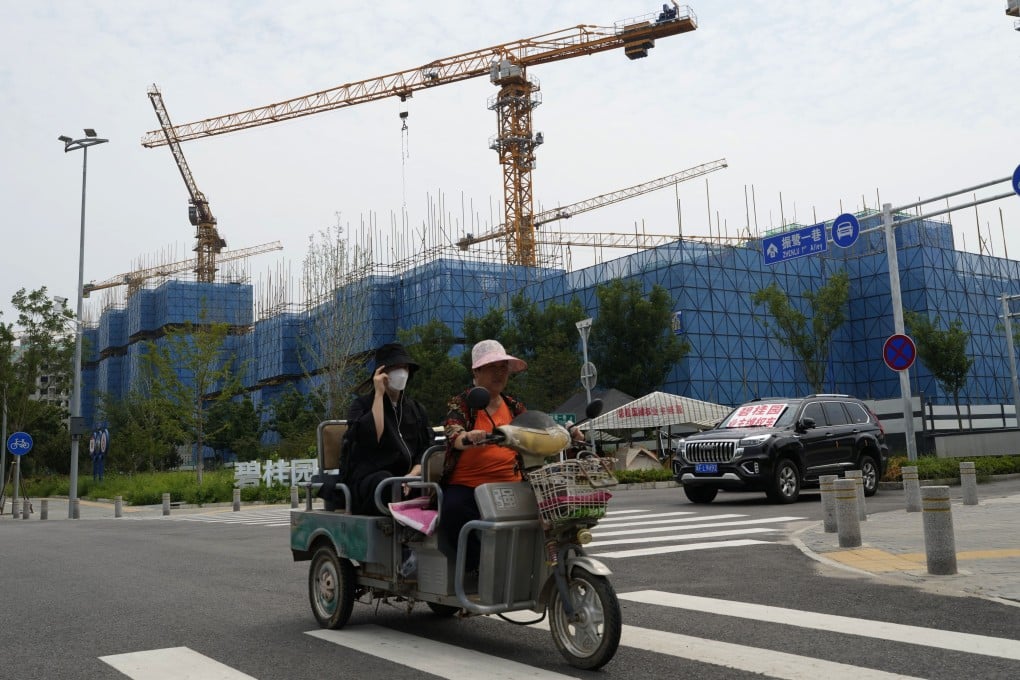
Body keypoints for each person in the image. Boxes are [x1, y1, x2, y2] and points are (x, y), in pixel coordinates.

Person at [439, 339, 529, 570]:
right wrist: (467, 437)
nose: (500, 373)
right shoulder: (463, 403)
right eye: (492, 367)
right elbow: (454, 432)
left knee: (548, 510)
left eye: (503, 368)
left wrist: (567, 432)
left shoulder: (514, 406)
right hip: (469, 486)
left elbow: (535, 427)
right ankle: (478, 570)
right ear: (476, 371)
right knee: (453, 511)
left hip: (513, 483)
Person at [342, 342, 432, 515]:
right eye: (395, 367)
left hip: (407, 477)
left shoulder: (416, 409)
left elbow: (426, 447)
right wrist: (378, 394)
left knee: (436, 486)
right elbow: (372, 436)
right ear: (382, 373)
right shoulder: (361, 405)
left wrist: (413, 474)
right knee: (387, 483)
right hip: (371, 478)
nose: (402, 373)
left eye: (405, 367)